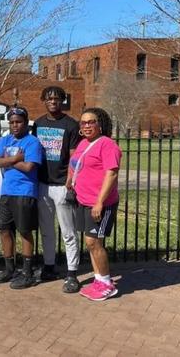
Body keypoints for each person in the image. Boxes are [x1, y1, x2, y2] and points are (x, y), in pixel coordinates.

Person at [69, 107, 122, 301]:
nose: (87, 126)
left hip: (100, 203)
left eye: (91, 122)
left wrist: (99, 202)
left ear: (100, 124)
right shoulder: (83, 143)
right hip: (83, 201)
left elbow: (112, 173)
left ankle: (107, 283)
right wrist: (70, 181)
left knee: (94, 242)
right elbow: (75, 165)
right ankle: (99, 280)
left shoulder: (107, 144)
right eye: (83, 122)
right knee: (91, 243)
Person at [32, 86, 81, 292]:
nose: (53, 102)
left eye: (57, 98)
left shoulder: (71, 125)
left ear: (63, 101)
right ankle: (49, 267)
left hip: (62, 185)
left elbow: (74, 156)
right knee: (46, 231)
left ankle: (72, 273)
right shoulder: (38, 124)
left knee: (68, 232)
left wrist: (70, 180)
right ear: (44, 101)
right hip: (43, 184)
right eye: (49, 98)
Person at [0, 106, 44, 289]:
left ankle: (27, 273)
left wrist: (7, 159)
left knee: (24, 231)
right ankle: (10, 269)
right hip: (7, 192)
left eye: (18, 122)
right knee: (5, 230)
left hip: (25, 192)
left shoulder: (32, 142)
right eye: (12, 122)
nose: (15, 125)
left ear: (26, 123)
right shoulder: (5, 140)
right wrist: (16, 159)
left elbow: (29, 167)